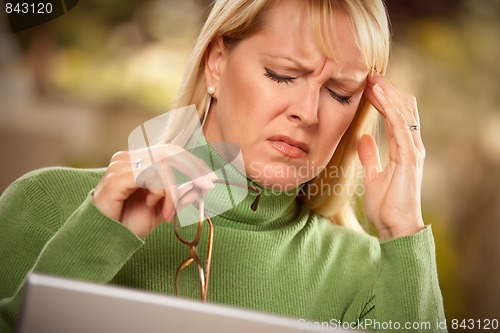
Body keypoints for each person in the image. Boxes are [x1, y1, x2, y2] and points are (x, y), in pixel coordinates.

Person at [0, 0, 447, 332]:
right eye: (282, 74)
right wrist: (91, 246)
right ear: (216, 63)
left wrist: (402, 231)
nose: (308, 113)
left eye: (340, 93)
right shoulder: (47, 205)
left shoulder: (370, 276)